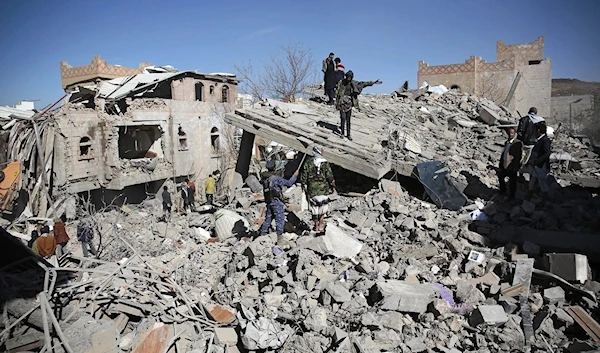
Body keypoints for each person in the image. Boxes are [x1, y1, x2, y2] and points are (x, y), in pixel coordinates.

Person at [335, 71, 382, 140]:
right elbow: (337, 92)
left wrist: (373, 83)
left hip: (349, 103)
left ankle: (348, 135)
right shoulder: (341, 82)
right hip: (342, 103)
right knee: (343, 118)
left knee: (348, 120)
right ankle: (342, 133)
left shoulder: (354, 83)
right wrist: (336, 102)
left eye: (350, 77)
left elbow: (363, 84)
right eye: (348, 76)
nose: (349, 78)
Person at [260, 160, 299, 244]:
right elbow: (288, 183)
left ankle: (262, 235)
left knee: (268, 219)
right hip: (277, 202)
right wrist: (295, 176)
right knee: (280, 220)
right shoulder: (275, 179)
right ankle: (280, 239)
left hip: (269, 201)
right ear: (274, 168)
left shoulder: (265, 178)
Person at [300, 147, 337, 232]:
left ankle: (316, 226)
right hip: (323, 190)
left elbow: (303, 177)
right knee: (322, 209)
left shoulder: (308, 163)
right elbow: (330, 176)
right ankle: (321, 225)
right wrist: (333, 187)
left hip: (312, 190)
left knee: (314, 209)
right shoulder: (325, 163)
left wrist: (303, 186)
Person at [527, 122, 552, 198]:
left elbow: (547, 153)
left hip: (541, 166)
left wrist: (537, 162)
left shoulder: (545, 140)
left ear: (538, 130)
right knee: (532, 181)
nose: (534, 132)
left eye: (534, 130)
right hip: (536, 165)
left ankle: (544, 200)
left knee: (542, 183)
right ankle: (529, 196)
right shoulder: (540, 140)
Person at [497, 126, 523, 199]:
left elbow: (518, 156)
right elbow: (504, 153)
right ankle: (502, 191)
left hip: (512, 166)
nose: (510, 134)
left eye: (512, 133)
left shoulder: (517, 143)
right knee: (501, 177)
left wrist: (515, 166)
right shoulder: (507, 142)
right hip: (505, 164)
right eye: (509, 133)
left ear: (515, 133)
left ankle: (512, 196)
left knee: (512, 182)